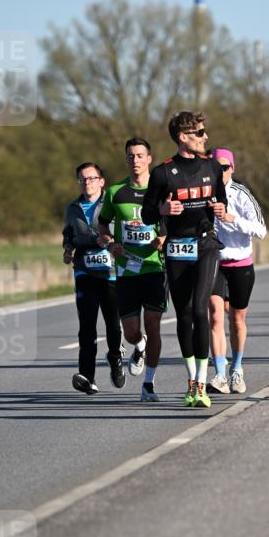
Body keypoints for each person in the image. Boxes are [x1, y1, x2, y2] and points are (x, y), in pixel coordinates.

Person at [142, 111, 227, 408]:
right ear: (183, 137)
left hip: (205, 245)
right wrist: (163, 211)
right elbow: (147, 213)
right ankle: (191, 380)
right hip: (177, 248)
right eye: (199, 133)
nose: (206, 137)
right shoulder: (163, 173)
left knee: (201, 309)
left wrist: (220, 211)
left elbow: (222, 201)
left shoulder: (213, 167)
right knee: (185, 314)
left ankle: (202, 383)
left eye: (204, 132)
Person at [98, 138, 167, 402]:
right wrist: (111, 243)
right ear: (126, 160)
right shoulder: (115, 192)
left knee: (154, 324)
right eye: (130, 156)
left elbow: (172, 222)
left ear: (149, 159)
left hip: (153, 268)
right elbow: (102, 226)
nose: (135, 160)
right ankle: (139, 345)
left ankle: (148, 384)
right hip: (126, 271)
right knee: (130, 332)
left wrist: (164, 239)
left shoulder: (160, 190)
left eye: (140, 155)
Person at [208, 148, 267, 394]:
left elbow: (261, 230)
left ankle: (237, 368)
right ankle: (220, 374)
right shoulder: (204, 194)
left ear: (232, 168)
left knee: (237, 319)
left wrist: (232, 218)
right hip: (213, 263)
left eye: (224, 167)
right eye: (214, 167)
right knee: (215, 316)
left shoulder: (241, 194)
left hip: (240, 263)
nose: (219, 172)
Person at [62, 162, 124, 394]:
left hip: (111, 273)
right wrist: (67, 249)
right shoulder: (73, 208)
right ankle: (87, 376)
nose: (87, 183)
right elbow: (68, 234)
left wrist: (109, 241)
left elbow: (124, 232)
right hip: (84, 271)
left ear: (101, 181)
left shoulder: (113, 204)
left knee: (112, 323)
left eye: (91, 178)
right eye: (82, 179)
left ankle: (116, 357)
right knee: (86, 325)